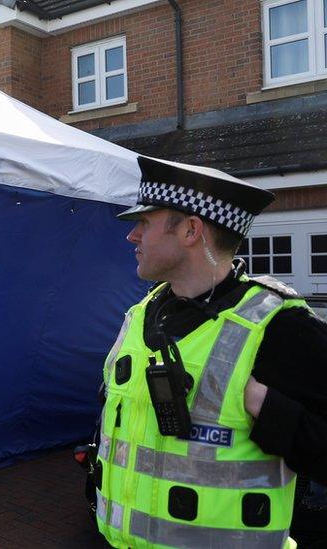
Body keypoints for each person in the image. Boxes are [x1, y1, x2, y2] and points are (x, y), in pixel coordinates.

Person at [95, 156, 327, 548]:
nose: (132, 236)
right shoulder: (140, 316)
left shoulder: (281, 328)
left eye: (145, 222)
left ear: (190, 230)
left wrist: (266, 408)